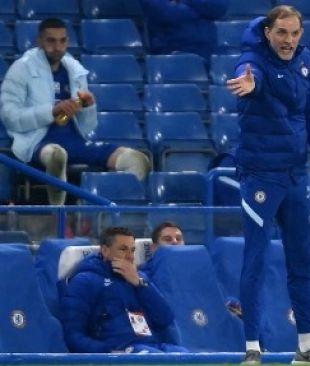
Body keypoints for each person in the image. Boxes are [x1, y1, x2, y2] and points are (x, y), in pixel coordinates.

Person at [226, 5, 310, 364]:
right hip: (260, 176)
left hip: (297, 176)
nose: (288, 40)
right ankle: (253, 350)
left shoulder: (305, 61)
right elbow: (248, 74)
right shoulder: (252, 60)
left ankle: (307, 346)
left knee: (302, 260)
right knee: (255, 259)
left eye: (294, 33)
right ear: (268, 32)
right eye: (282, 33)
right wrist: (249, 83)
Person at [0, 18, 151, 205]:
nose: (58, 46)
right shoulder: (21, 69)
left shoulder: (74, 69)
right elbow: (10, 117)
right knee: (57, 155)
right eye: (51, 41)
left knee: (137, 160)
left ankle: (110, 211)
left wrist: (89, 107)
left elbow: (87, 127)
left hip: (76, 142)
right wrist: (51, 111)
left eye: (62, 40)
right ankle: (58, 215)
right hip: (37, 143)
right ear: (39, 41)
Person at [60, 227, 188, 353]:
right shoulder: (85, 281)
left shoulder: (140, 278)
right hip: (120, 352)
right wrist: (109, 352)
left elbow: (165, 319)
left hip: (151, 345)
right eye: (123, 249)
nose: (129, 256)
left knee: (184, 355)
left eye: (132, 250)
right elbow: (73, 336)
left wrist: (140, 284)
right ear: (105, 251)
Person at [140, 0, 229, 62]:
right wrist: (203, 13)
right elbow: (168, 13)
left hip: (208, 51)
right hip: (171, 53)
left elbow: (219, 7)